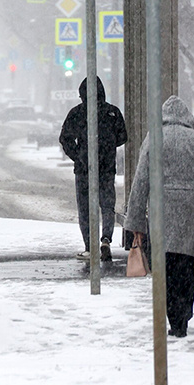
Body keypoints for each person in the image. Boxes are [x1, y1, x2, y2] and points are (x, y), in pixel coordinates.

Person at [124, 95, 194, 338]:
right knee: (186, 261)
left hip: (163, 207)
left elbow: (141, 181)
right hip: (193, 209)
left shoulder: (154, 138)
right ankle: (183, 313)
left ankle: (172, 312)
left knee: (164, 261)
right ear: (187, 117)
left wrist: (136, 221)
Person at [59, 77, 127, 262]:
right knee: (107, 206)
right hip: (107, 169)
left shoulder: (77, 113)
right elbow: (123, 136)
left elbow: (65, 138)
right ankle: (106, 239)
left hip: (84, 170)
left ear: (82, 94)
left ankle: (90, 247)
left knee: (85, 209)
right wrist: (108, 147)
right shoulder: (112, 112)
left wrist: (79, 156)